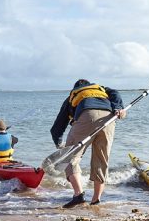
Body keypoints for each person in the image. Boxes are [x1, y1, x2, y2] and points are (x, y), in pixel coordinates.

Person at [50, 79, 126, 207]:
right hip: (109, 119)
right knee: (101, 159)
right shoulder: (101, 89)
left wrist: (59, 144)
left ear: (75, 88)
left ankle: (78, 195)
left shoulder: (73, 96)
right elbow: (115, 93)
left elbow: (58, 126)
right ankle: (96, 200)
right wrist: (118, 107)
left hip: (87, 115)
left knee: (69, 158)